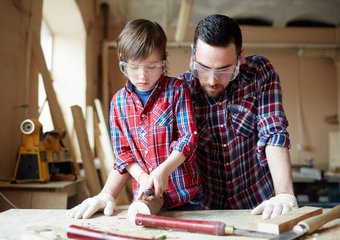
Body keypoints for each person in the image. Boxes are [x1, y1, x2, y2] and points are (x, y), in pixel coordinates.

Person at [67, 19, 201, 219]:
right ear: (123, 62)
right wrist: (143, 177)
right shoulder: (118, 102)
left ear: (165, 59)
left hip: (185, 198)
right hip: (145, 198)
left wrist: (163, 171)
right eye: (134, 67)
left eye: (152, 66)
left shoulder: (176, 90)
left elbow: (188, 138)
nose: (142, 76)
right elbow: (124, 154)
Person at [177, 14, 298, 219]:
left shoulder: (259, 73)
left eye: (224, 69)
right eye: (204, 68)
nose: (212, 80)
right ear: (194, 54)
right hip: (209, 211)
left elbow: (273, 130)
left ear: (240, 58)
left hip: (261, 204)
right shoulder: (182, 90)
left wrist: (284, 194)